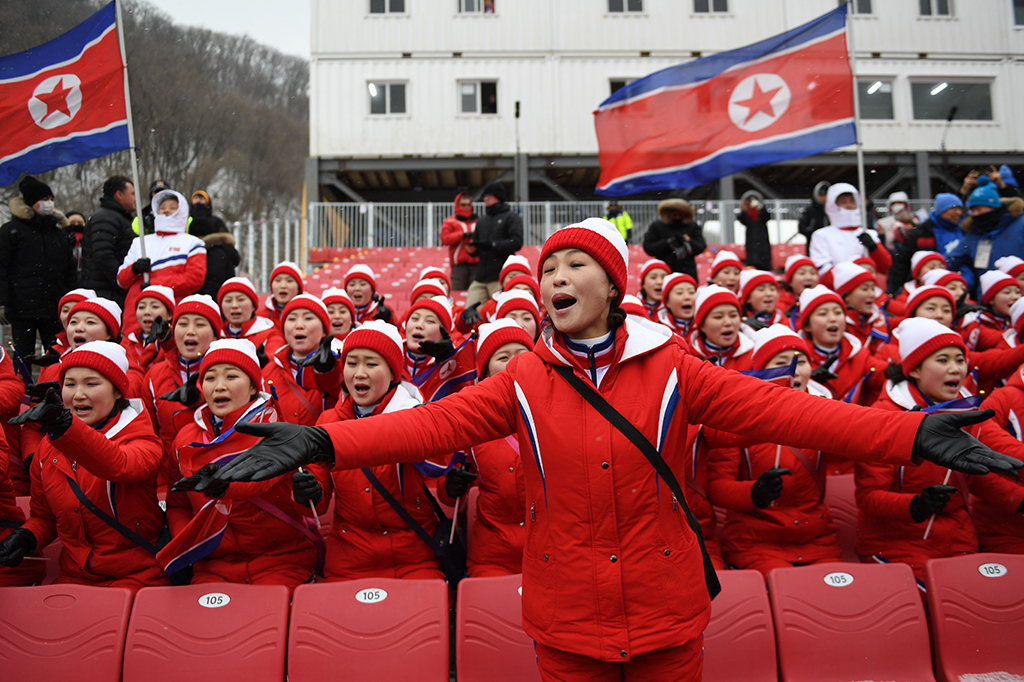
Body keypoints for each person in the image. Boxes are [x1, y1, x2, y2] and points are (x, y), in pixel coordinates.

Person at [209, 218, 1021, 681]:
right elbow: (428, 427)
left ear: (610, 285)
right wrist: (319, 440)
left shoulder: (672, 367)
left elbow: (789, 412)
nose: (554, 278)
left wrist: (909, 430)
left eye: (574, 265)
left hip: (667, 609)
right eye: (549, 269)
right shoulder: (525, 378)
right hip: (565, 615)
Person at [855, 318, 1024, 580]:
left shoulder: (966, 411)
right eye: (943, 360)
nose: (955, 369)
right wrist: (917, 504)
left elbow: (978, 477)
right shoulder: (884, 418)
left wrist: (1019, 500)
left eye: (960, 360)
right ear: (915, 370)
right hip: (897, 545)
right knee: (943, 600)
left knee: (986, 596)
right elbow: (868, 496)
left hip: (958, 539)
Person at [2, 341, 169, 590]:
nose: (78, 394)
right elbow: (45, 517)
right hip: (75, 578)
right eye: (70, 384)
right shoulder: (48, 448)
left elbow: (119, 464)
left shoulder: (143, 439)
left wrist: (66, 428)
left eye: (91, 384)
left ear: (118, 392)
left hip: (140, 577)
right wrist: (27, 537)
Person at [166, 339, 318, 587]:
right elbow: (177, 504)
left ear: (253, 387)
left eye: (231, 376)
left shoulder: (273, 428)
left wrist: (221, 484)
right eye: (210, 378)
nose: (219, 386)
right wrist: (191, 539)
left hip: (279, 560)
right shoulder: (185, 440)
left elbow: (259, 481)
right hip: (214, 566)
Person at [308, 321, 447, 582]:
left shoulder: (417, 417)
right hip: (349, 557)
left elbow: (440, 481)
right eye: (352, 363)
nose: (359, 373)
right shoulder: (328, 422)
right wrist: (310, 493)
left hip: (414, 555)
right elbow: (318, 499)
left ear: (393, 373)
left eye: (371, 364)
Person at [705, 325, 842, 576]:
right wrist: (754, 492)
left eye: (801, 362)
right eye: (781, 363)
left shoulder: (824, 413)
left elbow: (855, 451)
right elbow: (716, 487)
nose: (793, 369)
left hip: (818, 541)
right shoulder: (737, 420)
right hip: (757, 543)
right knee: (789, 589)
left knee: (836, 593)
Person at [439, 319, 532, 577]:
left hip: (550, 549)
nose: (515, 362)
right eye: (503, 357)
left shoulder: (555, 413)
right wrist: (451, 485)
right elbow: (450, 493)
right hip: (492, 554)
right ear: (487, 373)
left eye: (522, 354)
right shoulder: (472, 421)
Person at [0, 176, 76, 360]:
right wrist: (3, 302)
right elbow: (1, 268)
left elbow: (69, 271)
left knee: (57, 355)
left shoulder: (58, 234)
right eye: (43, 199)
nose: (48, 204)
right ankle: (22, 380)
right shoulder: (11, 231)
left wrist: (72, 298)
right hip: (22, 308)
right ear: (31, 202)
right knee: (23, 356)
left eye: (51, 199)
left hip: (54, 307)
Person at [117, 190, 207, 336]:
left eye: (173, 207)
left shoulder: (192, 243)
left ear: (182, 211)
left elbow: (194, 279)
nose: (166, 210)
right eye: (162, 207)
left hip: (170, 312)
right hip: (135, 313)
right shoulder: (140, 242)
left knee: (165, 346)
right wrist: (134, 269)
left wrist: (154, 285)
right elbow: (121, 280)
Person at [144, 294, 223, 458]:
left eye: (200, 324)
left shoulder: (229, 373)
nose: (190, 331)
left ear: (215, 335)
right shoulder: (154, 374)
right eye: (183, 324)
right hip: (169, 470)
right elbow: (149, 436)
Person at [262, 294, 342, 425]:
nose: (299, 325)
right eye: (292, 319)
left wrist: (328, 373)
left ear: (324, 331)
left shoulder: (342, 366)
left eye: (308, 318)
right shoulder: (267, 372)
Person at [887, 193, 970, 296]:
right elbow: (902, 262)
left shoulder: (966, 230)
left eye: (960, 209)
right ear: (941, 209)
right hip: (929, 289)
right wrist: (897, 290)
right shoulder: (922, 232)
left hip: (963, 287)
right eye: (953, 208)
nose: (958, 212)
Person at [809, 183, 891, 275]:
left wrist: (874, 249)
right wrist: (851, 277)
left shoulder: (869, 233)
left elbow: (885, 266)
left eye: (852, 201)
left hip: (866, 283)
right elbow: (822, 269)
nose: (849, 205)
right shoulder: (821, 235)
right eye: (843, 202)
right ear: (833, 206)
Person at [80, 175, 137, 306]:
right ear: (119, 195)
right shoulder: (106, 218)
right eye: (132, 194)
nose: (135, 198)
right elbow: (103, 255)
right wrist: (121, 281)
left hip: (111, 290)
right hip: (106, 293)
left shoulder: (118, 217)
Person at [466, 182, 524, 308]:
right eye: (484, 196)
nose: (485, 199)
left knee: (502, 312)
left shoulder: (511, 217)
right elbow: (478, 244)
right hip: (480, 276)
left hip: (501, 276)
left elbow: (516, 242)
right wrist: (472, 250)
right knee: (470, 312)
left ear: (498, 196)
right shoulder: (482, 220)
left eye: (488, 195)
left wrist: (493, 245)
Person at [960, 178, 1024, 288]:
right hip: (987, 294)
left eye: (979, 209)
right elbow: (952, 260)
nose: (975, 214)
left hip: (1018, 291)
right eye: (972, 210)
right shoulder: (973, 234)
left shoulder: (1020, 225)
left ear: (993, 207)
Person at [684, 285, 754, 370]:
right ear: (702, 325)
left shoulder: (754, 354)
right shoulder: (687, 357)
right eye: (718, 317)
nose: (728, 322)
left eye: (733, 315)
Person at [830, 261, 890, 353]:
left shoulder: (879, 319)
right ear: (846, 296)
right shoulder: (835, 325)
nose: (872, 294)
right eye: (865, 289)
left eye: (873, 289)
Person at [188, 190, 239, 298]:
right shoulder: (186, 222)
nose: (198, 201)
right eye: (196, 198)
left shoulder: (216, 222)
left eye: (201, 198)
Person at [643, 198, 706, 281]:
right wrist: (667, 242)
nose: (677, 216)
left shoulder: (692, 226)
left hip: (687, 271)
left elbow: (701, 247)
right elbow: (649, 248)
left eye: (681, 213)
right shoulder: (657, 226)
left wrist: (688, 241)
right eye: (674, 213)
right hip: (664, 271)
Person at [218, 276, 282, 351]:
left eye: (240, 300)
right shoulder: (215, 335)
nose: (234, 305)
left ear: (253, 306)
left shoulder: (269, 336)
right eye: (228, 300)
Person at [123, 285, 176, 372]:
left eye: (155, 306)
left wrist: (165, 337)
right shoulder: (128, 342)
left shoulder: (177, 341)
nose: (146, 312)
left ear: (169, 314)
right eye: (141, 307)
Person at [439, 191, 480, 291]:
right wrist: (462, 235)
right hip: (459, 265)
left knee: (476, 293)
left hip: (477, 263)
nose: (466, 207)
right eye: (463, 205)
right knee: (457, 293)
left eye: (468, 205)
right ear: (457, 205)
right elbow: (444, 239)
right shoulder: (450, 221)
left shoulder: (479, 221)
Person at [260, 261, 305, 330]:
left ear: (298, 288)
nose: (283, 285)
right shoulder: (260, 316)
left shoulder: (310, 315)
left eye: (289, 281)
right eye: (278, 280)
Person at [737, 190, 772, 272]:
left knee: (763, 256)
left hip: (762, 239)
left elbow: (767, 217)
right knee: (752, 256)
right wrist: (744, 210)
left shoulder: (761, 213)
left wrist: (760, 207)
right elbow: (742, 220)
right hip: (751, 240)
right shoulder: (748, 213)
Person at [777, 255, 818, 322]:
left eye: (813, 273)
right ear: (790, 281)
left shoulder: (825, 302)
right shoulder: (779, 306)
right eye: (802, 273)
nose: (809, 277)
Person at [797, 181, 830, 254]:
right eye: (821, 195)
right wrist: (812, 232)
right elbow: (801, 228)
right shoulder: (810, 210)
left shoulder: (833, 210)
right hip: (814, 247)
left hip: (831, 246)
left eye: (826, 195)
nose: (824, 198)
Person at [65, 210, 86, 285]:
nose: (76, 225)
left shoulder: (90, 240)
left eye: (80, 223)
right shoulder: (60, 240)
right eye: (72, 223)